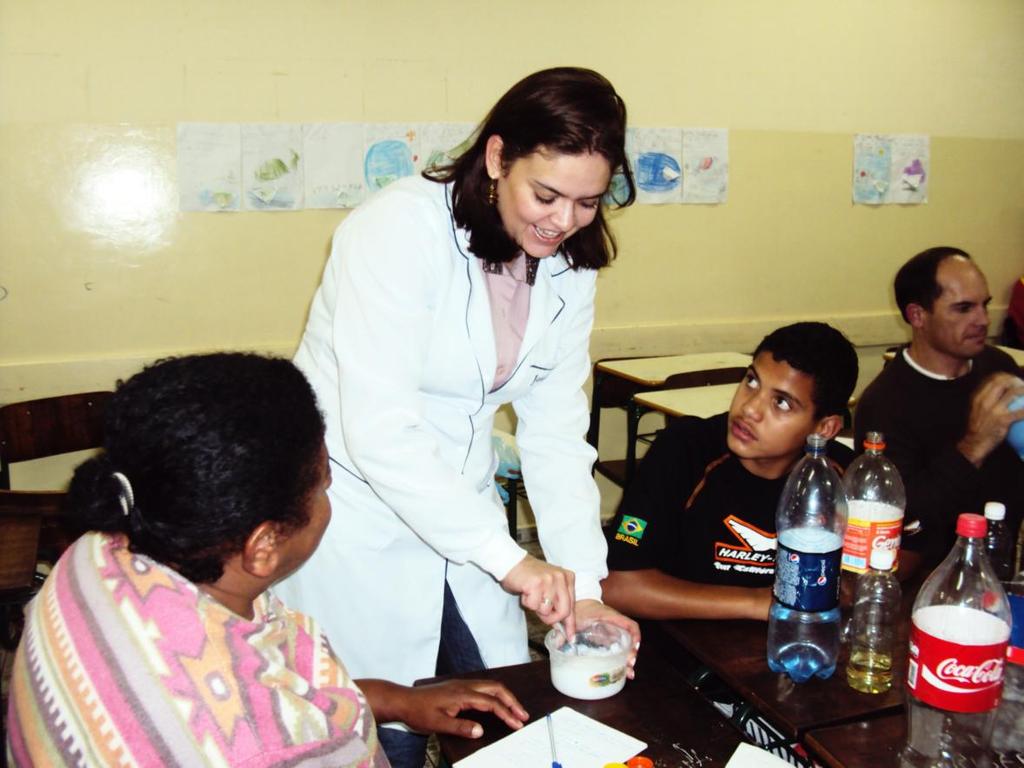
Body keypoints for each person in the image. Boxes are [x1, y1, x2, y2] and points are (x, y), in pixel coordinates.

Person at [273, 66, 641, 766]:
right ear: (498, 157)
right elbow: (379, 430)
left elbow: (557, 436)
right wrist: (516, 565)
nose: (563, 222)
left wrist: (583, 588)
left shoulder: (569, 267)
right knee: (379, 737)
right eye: (547, 194)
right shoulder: (394, 231)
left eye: (588, 202)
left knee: (503, 715)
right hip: (359, 510)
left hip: (463, 512)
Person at [5, 354, 528, 767]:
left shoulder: (98, 553)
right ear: (263, 546)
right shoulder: (270, 746)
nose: (330, 495)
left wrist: (390, 700)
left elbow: (270, 679)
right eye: (325, 484)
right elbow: (265, 726)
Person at [602, 323, 858, 622]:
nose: (750, 409)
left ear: (824, 428)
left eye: (781, 402)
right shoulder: (684, 450)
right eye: (751, 381)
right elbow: (617, 585)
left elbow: (909, 549)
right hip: (680, 650)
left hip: (788, 649)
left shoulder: (841, 476)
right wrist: (761, 604)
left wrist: (854, 586)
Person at [855, 247, 1024, 570]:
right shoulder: (885, 403)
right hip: (933, 580)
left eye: (984, 305)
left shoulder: (997, 365)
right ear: (917, 316)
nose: (983, 320)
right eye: (963, 308)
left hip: (1003, 559)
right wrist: (974, 445)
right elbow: (908, 520)